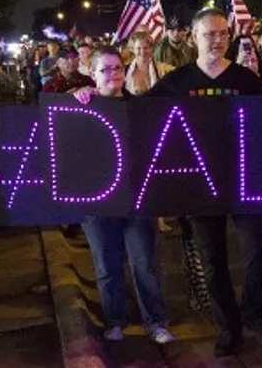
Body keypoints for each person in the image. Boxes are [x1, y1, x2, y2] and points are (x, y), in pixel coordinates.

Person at [147, 9, 262, 357]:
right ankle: (228, 327)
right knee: (213, 259)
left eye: (223, 34)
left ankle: (254, 315)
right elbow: (137, 112)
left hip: (243, 181)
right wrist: (92, 95)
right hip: (200, 185)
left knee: (256, 251)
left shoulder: (246, 79)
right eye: (209, 34)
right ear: (194, 37)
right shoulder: (177, 82)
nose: (217, 40)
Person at [69, 47, 176, 345]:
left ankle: (155, 321)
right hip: (97, 203)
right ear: (92, 74)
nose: (113, 74)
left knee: (145, 263)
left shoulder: (140, 108)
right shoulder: (79, 108)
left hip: (136, 199)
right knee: (107, 265)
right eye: (105, 69)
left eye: (117, 68)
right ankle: (115, 320)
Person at [125, 32, 173, 96]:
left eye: (145, 48)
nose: (142, 52)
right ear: (132, 50)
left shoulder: (163, 69)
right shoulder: (125, 70)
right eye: (138, 48)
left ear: (151, 49)